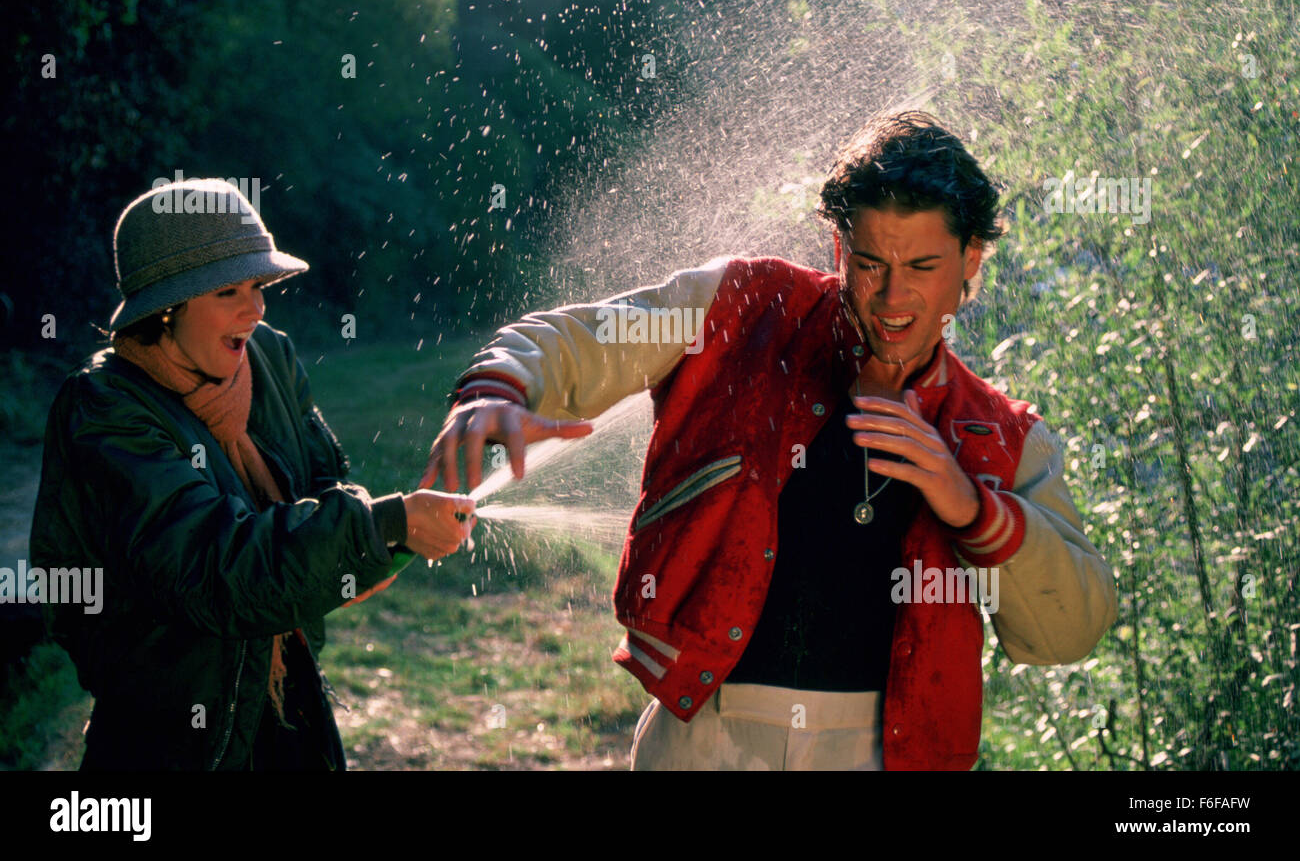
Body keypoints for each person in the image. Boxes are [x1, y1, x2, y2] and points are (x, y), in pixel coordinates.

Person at [421, 111, 1118, 771]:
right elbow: (582, 338)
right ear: (841, 247)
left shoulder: (1002, 436)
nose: (891, 297)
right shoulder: (741, 309)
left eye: (923, 269)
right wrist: (498, 387)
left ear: (972, 261)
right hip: (704, 739)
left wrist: (969, 506)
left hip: (883, 752)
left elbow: (1071, 631)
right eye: (872, 263)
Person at [29, 179, 475, 770]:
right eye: (228, 291)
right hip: (170, 744)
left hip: (287, 711)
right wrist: (383, 522)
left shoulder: (266, 355)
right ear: (166, 308)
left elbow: (327, 487)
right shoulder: (105, 411)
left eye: (259, 285)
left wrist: (387, 533)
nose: (256, 307)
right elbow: (216, 570)